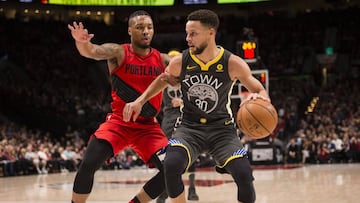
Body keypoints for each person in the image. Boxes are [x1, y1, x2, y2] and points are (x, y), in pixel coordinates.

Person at [123, 9, 272, 203]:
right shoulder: (181, 62)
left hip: (222, 130)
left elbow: (260, 90)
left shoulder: (232, 63)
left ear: (211, 32)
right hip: (189, 128)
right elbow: (162, 80)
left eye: (193, 33)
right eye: (187, 33)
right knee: (171, 165)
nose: (188, 38)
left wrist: (260, 98)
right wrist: (140, 101)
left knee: (244, 175)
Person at [67, 10, 169, 203]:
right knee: (88, 164)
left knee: (171, 170)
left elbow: (189, 67)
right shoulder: (118, 52)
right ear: (130, 30)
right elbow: (92, 51)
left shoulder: (163, 60)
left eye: (149, 27)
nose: (146, 31)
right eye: (140, 28)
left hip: (148, 127)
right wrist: (82, 42)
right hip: (119, 123)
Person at [156, 50, 199, 203]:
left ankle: (192, 189)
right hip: (169, 118)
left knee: (191, 155)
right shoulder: (163, 78)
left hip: (187, 116)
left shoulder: (189, 78)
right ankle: (166, 189)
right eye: (171, 61)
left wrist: (184, 103)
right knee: (165, 155)